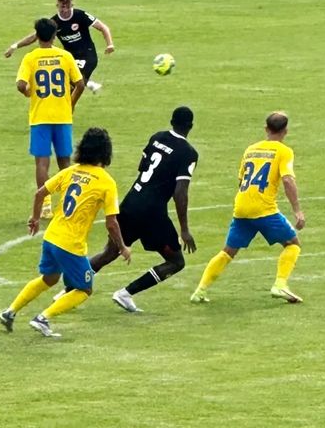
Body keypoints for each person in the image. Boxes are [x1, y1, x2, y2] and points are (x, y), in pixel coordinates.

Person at [0, 126, 130, 338]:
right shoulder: (106, 182)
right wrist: (122, 247)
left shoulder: (70, 171)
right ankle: (43, 318)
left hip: (51, 237)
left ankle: (10, 311)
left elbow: (40, 193)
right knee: (84, 289)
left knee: (49, 278)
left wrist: (35, 218)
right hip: (71, 244)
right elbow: (111, 223)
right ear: (106, 152)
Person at [90, 106, 199, 314]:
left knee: (109, 252)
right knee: (176, 261)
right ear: (190, 126)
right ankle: (125, 293)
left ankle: (68, 289)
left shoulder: (157, 137)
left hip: (132, 202)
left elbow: (142, 167)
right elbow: (180, 193)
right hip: (153, 213)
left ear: (171, 121)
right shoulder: (189, 153)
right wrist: (184, 229)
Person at [190, 111, 305, 305]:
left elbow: (241, 179)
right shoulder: (284, 151)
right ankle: (280, 284)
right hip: (265, 209)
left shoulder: (250, 149)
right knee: (292, 244)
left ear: (266, 129)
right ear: (286, 131)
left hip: (241, 207)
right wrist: (297, 210)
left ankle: (200, 291)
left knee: (227, 251)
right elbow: (287, 179)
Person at [16, 17, 86, 219]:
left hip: (40, 117)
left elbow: (21, 85)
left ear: (37, 36)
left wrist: (28, 91)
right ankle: (68, 204)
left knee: (42, 163)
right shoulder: (65, 56)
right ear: (55, 36)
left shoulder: (30, 58)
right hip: (62, 116)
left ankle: (45, 205)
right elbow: (80, 85)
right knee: (65, 161)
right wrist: (70, 104)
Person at [5, 0, 115, 94]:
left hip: (87, 54)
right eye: (62, 7)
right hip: (69, 57)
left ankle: (81, 91)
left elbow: (103, 27)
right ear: (57, 6)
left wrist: (110, 44)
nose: (65, 10)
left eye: (68, 7)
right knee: (64, 84)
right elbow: (34, 36)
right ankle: (88, 85)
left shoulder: (80, 15)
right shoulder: (54, 22)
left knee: (72, 85)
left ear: (72, 5)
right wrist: (14, 46)